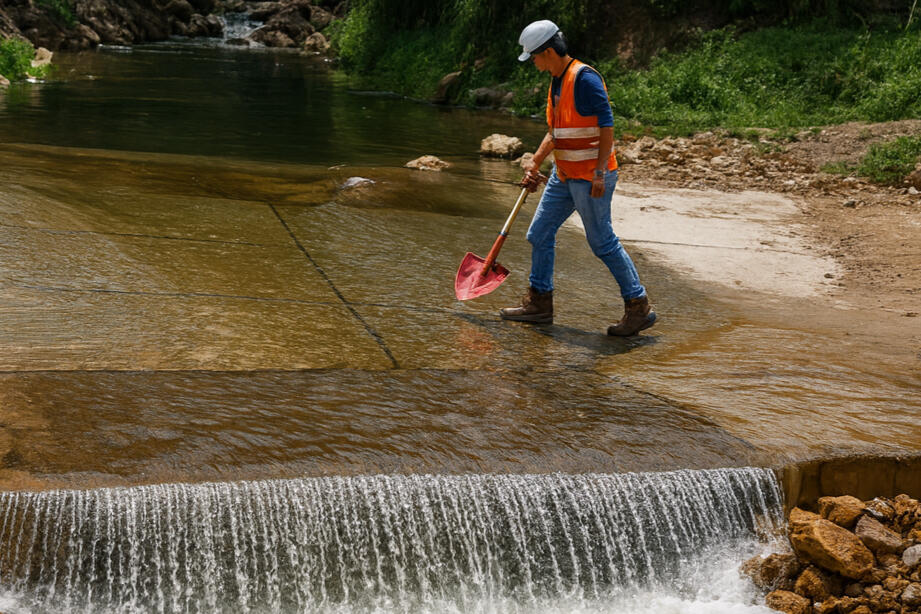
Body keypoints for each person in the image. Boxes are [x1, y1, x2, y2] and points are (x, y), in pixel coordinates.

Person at [500, 19, 657, 336]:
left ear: (547, 51)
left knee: (602, 243)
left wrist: (600, 172)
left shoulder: (583, 78)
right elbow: (557, 131)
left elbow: (607, 125)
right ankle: (540, 304)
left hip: (590, 177)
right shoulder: (556, 80)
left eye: (534, 56)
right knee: (539, 233)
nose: (533, 62)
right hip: (564, 175)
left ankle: (639, 307)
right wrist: (536, 161)